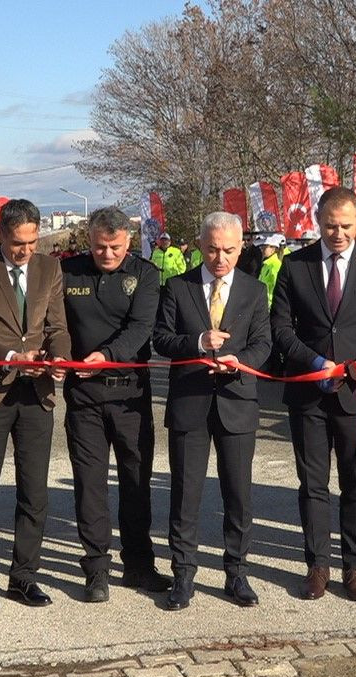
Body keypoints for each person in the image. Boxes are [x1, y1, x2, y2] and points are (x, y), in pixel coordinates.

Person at [270, 187, 356, 603]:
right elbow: (281, 329)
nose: (338, 233)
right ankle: (318, 566)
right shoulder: (295, 265)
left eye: (345, 225)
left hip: (355, 394)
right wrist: (313, 361)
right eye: (330, 225)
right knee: (313, 485)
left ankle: (355, 566)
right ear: (317, 221)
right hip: (309, 394)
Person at [153, 211, 271, 611]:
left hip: (236, 402)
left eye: (229, 250)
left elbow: (263, 343)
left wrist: (239, 359)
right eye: (213, 249)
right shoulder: (177, 287)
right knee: (185, 493)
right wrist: (198, 341)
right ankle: (183, 574)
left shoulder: (254, 291)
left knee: (238, 495)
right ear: (201, 245)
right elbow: (161, 339)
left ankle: (236, 572)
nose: (220, 258)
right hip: (190, 403)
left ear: (240, 248)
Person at [0, 198, 71, 613]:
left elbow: (56, 327)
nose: (25, 250)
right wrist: (11, 356)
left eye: (31, 241)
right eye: (16, 243)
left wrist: (58, 358)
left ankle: (24, 575)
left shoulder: (49, 268)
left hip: (36, 393)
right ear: (0, 233)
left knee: (35, 492)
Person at [61, 206, 169, 602]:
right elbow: (56, 322)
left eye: (115, 247)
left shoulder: (144, 274)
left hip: (129, 396)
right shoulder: (69, 271)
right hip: (83, 397)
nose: (107, 254)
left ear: (128, 241)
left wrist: (106, 356)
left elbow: (141, 329)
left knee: (136, 483)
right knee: (90, 486)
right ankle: (96, 569)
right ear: (88, 240)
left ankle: (139, 564)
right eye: (100, 246)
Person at [257, 233, 284, 308]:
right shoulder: (266, 264)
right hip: (263, 304)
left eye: (265, 247)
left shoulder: (275, 265)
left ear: (273, 249)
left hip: (271, 306)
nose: (262, 249)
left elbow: (278, 289)